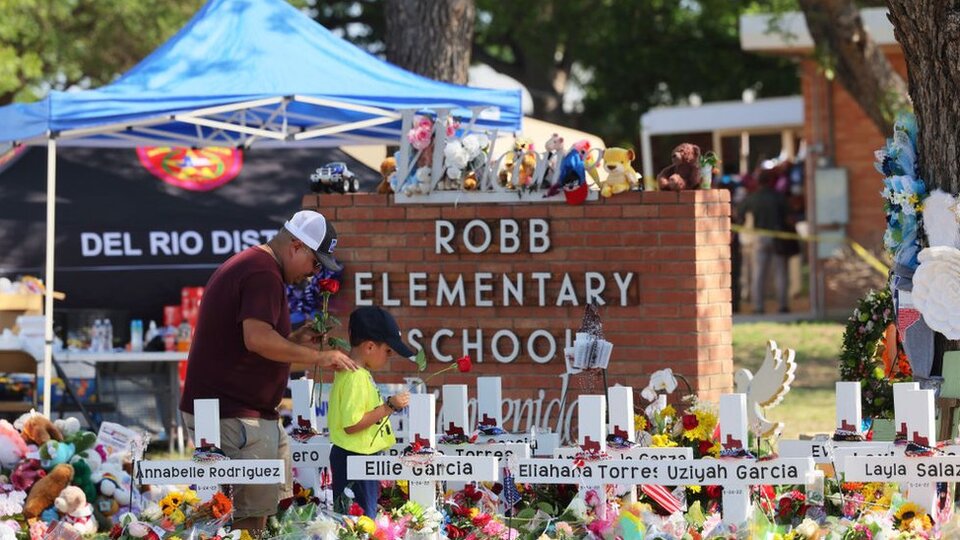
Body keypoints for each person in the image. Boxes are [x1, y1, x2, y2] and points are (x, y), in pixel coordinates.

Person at [179, 210, 357, 535]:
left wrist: (294, 341)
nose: (314, 274)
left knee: (261, 513)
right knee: (248, 521)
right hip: (234, 414)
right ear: (295, 246)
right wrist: (318, 356)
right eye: (315, 263)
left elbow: (251, 345)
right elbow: (258, 339)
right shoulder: (262, 273)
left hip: (237, 411)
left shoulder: (256, 266)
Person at [328, 306, 415, 517]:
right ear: (369, 347)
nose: (389, 356)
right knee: (359, 521)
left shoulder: (356, 374)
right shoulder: (356, 377)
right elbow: (352, 424)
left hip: (357, 455)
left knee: (359, 518)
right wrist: (388, 407)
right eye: (387, 350)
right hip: (355, 456)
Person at [739, 168, 790, 314]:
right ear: (770, 181)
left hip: (759, 236)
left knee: (758, 273)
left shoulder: (752, 197)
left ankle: (758, 306)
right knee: (780, 272)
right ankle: (783, 305)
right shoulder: (778, 196)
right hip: (778, 236)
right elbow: (788, 217)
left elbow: (740, 215)